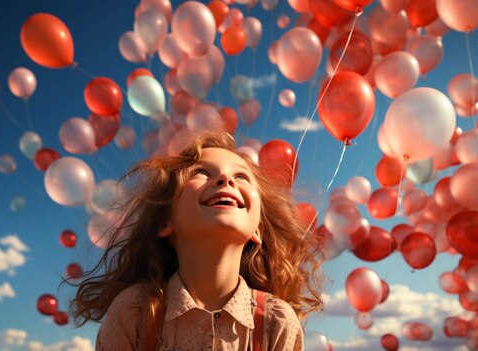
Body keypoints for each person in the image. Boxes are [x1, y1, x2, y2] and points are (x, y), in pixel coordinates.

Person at [70, 130, 323, 350]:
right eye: (201, 172)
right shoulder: (134, 312)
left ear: (258, 230)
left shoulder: (275, 323)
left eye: (242, 177)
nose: (227, 180)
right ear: (163, 222)